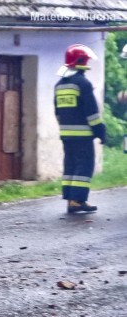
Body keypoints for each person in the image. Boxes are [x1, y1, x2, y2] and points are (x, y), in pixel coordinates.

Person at [54, 44, 106, 214]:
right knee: (84, 167)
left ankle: (71, 199)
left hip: (66, 135)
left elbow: (57, 112)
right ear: (81, 61)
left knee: (70, 166)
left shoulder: (59, 85)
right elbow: (91, 112)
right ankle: (77, 200)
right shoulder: (82, 83)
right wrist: (100, 131)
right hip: (83, 135)